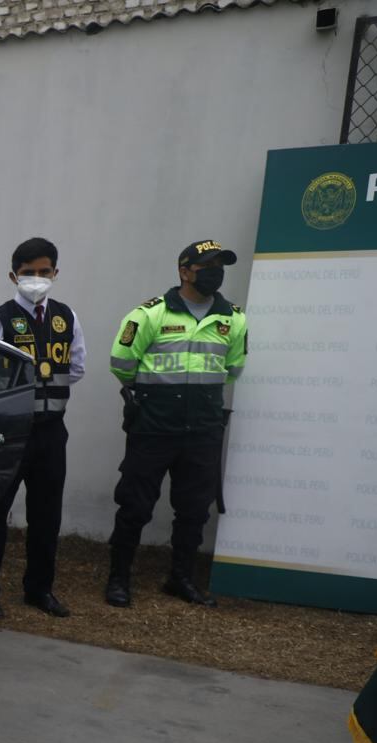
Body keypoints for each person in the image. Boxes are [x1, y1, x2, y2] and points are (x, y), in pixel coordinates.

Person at [104, 240, 248, 608]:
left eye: (220, 266)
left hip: (203, 428)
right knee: (135, 505)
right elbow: (121, 363)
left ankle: (181, 579)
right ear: (184, 271)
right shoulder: (149, 315)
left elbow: (232, 370)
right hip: (154, 425)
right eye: (207, 266)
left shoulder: (233, 318)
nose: (215, 272)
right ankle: (118, 579)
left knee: (194, 510)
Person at [0, 236, 85, 618]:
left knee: (47, 516)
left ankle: (39, 590)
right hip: (9, 433)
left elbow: (76, 368)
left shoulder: (67, 317)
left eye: (45, 272)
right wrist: (1, 391)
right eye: (29, 273)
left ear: (56, 273)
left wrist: (46, 393)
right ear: (14, 276)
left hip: (51, 433)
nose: (37, 279)